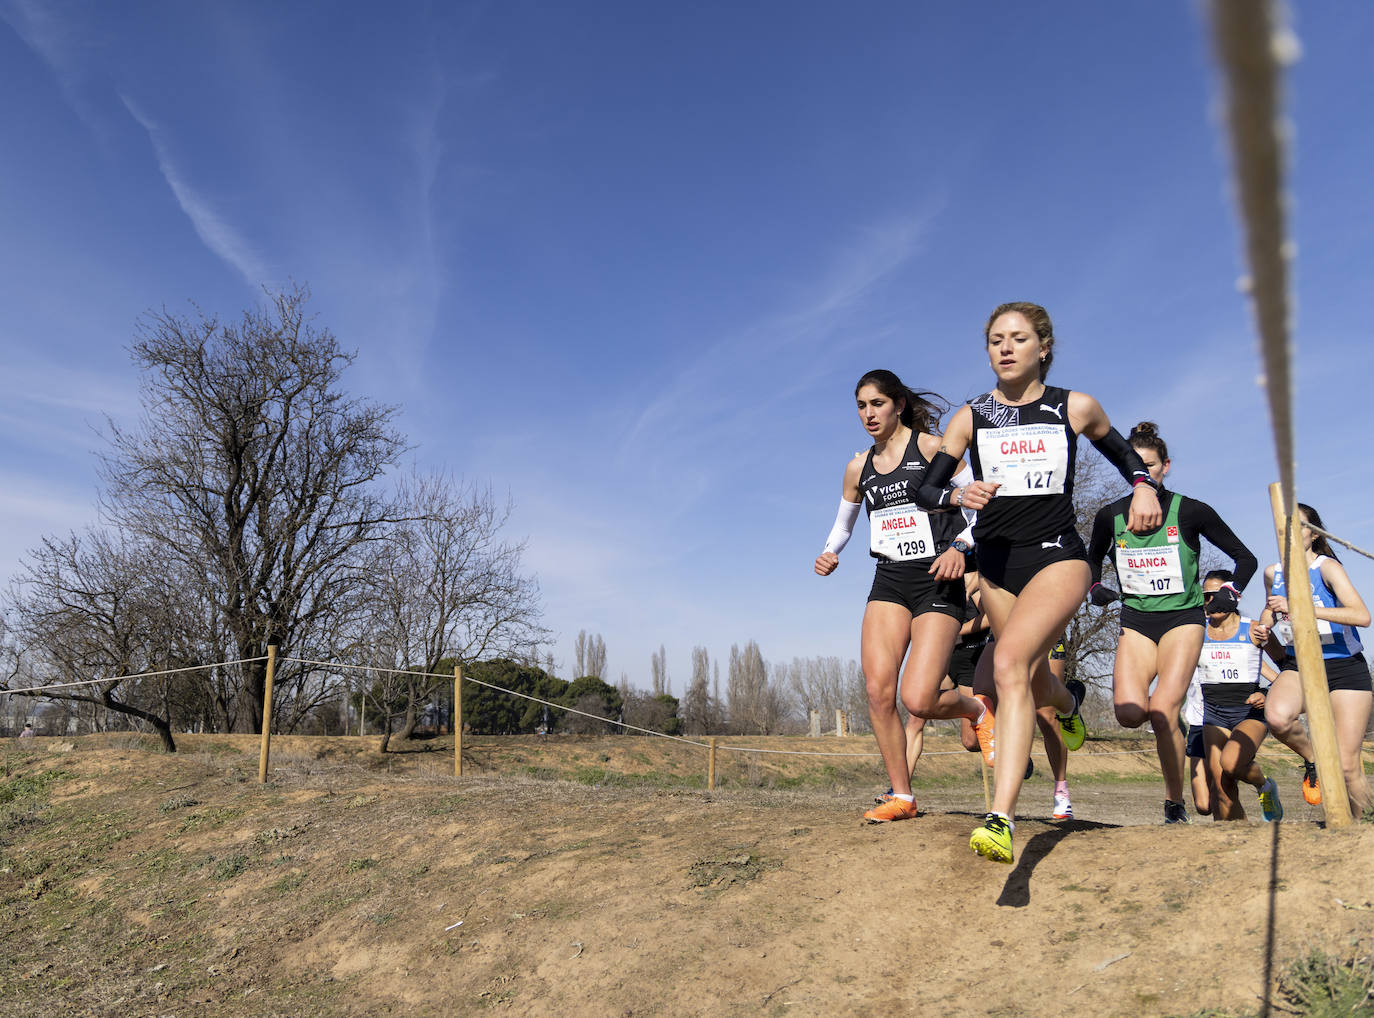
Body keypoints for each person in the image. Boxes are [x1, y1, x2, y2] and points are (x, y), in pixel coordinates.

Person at [913, 302, 1162, 862]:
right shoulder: (971, 416)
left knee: (1005, 668)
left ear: (1042, 347)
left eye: (1018, 338)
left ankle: (1000, 819)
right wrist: (956, 494)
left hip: (1058, 559)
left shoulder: (1073, 406)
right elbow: (926, 491)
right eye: (995, 339)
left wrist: (1143, 487)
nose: (1005, 348)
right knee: (1025, 677)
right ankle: (1068, 704)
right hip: (997, 568)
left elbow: (1125, 455)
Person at [815, 369, 994, 823]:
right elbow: (843, 524)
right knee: (878, 691)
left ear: (897, 404)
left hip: (938, 576)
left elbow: (980, 505)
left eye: (876, 404)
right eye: (861, 406)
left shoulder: (934, 449)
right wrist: (830, 552)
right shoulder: (859, 467)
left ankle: (975, 708)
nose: (868, 414)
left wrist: (960, 547)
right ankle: (902, 796)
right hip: (890, 578)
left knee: (918, 700)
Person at [1086, 422, 1258, 824]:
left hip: (1183, 619)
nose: (1144, 474)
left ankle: (1173, 803)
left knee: (1162, 708)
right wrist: (1093, 587)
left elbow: (1244, 559)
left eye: (1152, 466)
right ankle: (1174, 729)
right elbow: (1090, 559)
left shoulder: (1192, 511)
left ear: (1166, 466)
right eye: (1136, 467)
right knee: (1129, 714)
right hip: (1136, 620)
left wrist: (1230, 593)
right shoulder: (1109, 515)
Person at [1255, 503, 1372, 816]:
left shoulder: (1327, 568)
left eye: (1301, 526)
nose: (1293, 533)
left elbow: (1361, 616)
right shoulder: (1273, 572)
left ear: (1314, 533)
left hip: (1344, 667)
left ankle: (1361, 830)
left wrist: (1303, 607)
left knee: (1348, 767)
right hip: (1300, 665)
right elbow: (1269, 609)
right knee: (1277, 717)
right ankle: (1314, 760)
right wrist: (1265, 626)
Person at [1195, 570, 1282, 821]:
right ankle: (1236, 845)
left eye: (1218, 594)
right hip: (1214, 713)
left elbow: (1289, 667)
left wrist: (1267, 693)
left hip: (1249, 713)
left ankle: (1265, 786)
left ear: (1234, 597)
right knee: (1221, 788)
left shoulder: (1254, 629)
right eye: (1207, 596)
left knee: (1231, 764)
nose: (1212, 601)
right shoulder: (1196, 631)